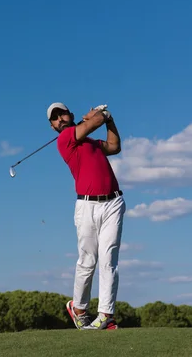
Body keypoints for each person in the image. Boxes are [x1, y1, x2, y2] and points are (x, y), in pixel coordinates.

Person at [46, 101, 126, 330]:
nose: (60, 119)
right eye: (55, 118)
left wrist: (108, 119)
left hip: (113, 202)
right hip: (86, 206)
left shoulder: (90, 142)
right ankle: (79, 308)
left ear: (71, 115)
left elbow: (114, 146)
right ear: (53, 126)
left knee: (109, 260)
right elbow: (96, 121)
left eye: (63, 114)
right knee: (88, 260)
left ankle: (106, 315)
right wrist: (98, 115)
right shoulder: (65, 139)